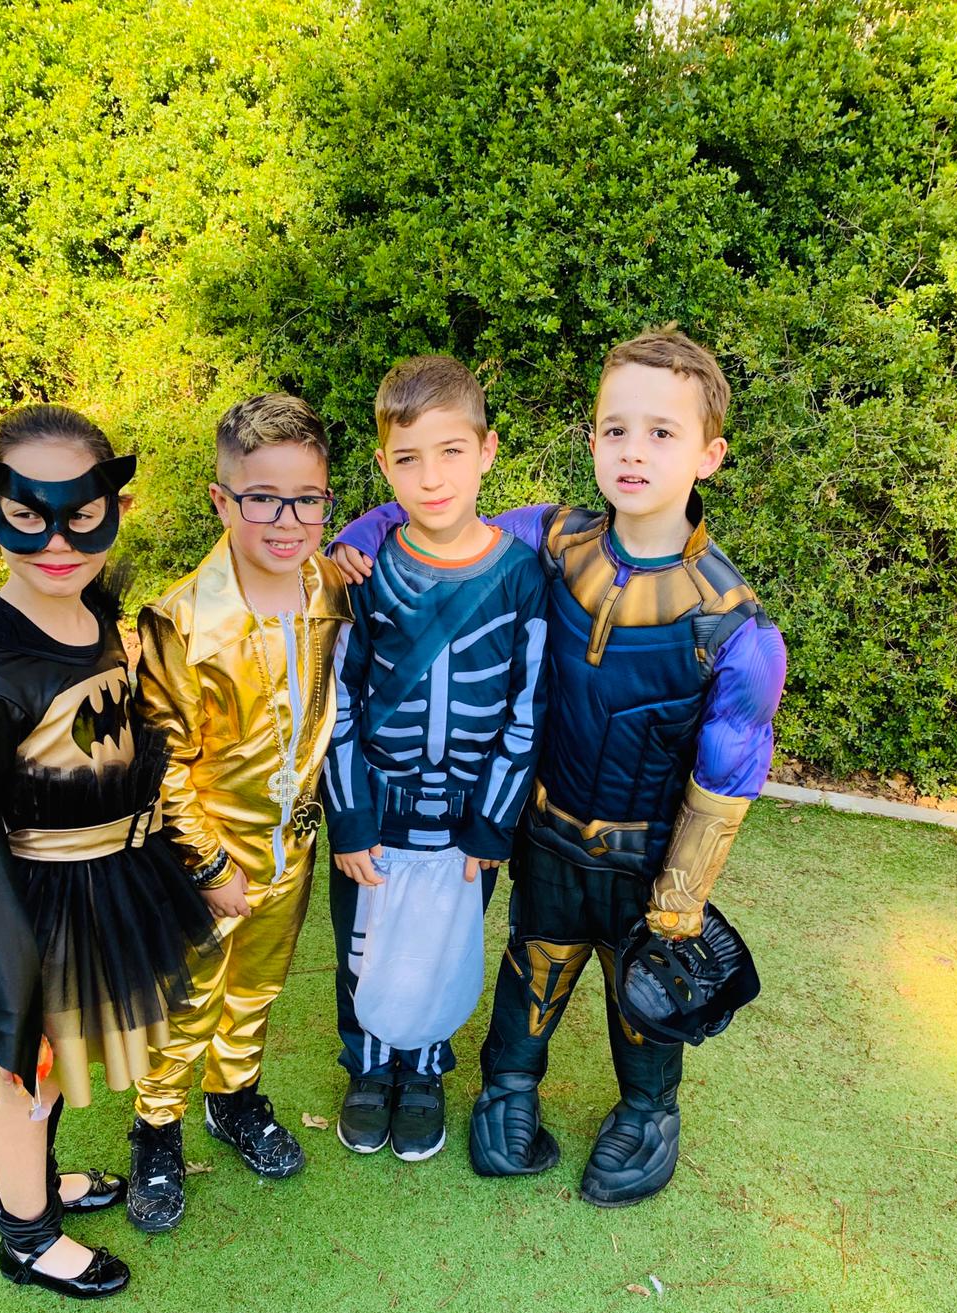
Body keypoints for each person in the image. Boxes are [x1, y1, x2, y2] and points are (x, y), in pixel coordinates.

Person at [330, 328, 787, 1206]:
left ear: (709, 454)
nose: (634, 451)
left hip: (646, 852)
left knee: (641, 989)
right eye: (616, 429)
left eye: (662, 432)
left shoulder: (737, 628)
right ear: (592, 439)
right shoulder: (557, 538)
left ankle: (647, 1112)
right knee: (531, 964)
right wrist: (357, 534)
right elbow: (435, 517)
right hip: (542, 832)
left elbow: (727, 779)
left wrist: (681, 902)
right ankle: (507, 1090)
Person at [0, 403, 218, 1297]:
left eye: (83, 516)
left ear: (116, 507)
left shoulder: (95, 617)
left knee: (62, 1069)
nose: (59, 544)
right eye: (28, 517)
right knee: (29, 1079)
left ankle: (40, 1180)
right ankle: (26, 1236)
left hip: (110, 886)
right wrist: (8, 970)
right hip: (36, 910)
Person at [125, 393, 352, 1231]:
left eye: (306, 500)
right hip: (208, 858)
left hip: (293, 846)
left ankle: (234, 1099)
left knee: (258, 987)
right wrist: (211, 866)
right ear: (223, 501)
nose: (287, 522)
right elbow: (162, 766)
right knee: (187, 998)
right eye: (264, 499)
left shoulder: (330, 585)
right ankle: (156, 1128)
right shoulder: (183, 620)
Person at [321, 355, 547, 1162]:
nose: (432, 477)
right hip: (376, 813)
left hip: (466, 823)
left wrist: (494, 824)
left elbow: (527, 709)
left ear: (487, 451)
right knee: (364, 948)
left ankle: (423, 1070)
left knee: (444, 948)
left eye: (452, 452)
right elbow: (338, 701)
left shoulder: (521, 576)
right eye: (408, 459)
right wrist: (349, 819)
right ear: (384, 466)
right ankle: (368, 1065)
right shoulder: (365, 573)